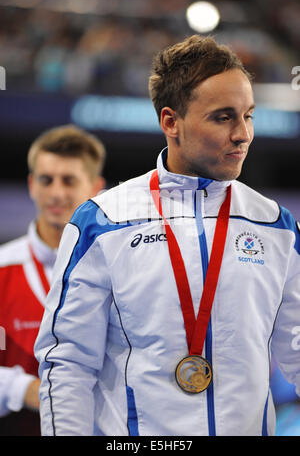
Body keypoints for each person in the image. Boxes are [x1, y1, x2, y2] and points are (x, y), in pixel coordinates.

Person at [34, 35, 300, 436]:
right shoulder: (104, 222)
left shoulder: (274, 224)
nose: (243, 133)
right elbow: (67, 363)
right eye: (223, 117)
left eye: (249, 115)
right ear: (170, 122)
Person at [0, 124, 106, 435]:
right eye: (47, 180)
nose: (56, 193)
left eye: (69, 181)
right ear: (32, 184)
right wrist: (23, 389)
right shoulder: (2, 268)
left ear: (95, 187)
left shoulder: (120, 270)